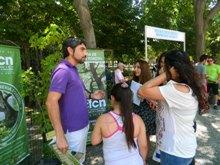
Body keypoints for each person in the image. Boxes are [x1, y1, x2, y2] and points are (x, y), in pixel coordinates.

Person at [138, 50, 209, 165]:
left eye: (164, 65)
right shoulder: (184, 87)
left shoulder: (177, 90)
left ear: (172, 68)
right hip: (182, 148)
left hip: (175, 152)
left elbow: (142, 91)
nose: (161, 67)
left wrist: (167, 74)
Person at [46, 37, 105, 164]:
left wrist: (91, 96)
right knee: (73, 163)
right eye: (82, 49)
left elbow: (74, 93)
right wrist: (60, 135)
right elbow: (51, 102)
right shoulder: (63, 71)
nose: (86, 53)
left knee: (79, 161)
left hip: (80, 127)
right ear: (70, 50)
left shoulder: (73, 69)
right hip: (72, 132)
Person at [91, 83, 148, 165]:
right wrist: (143, 161)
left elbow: (94, 141)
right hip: (136, 162)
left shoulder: (102, 119)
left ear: (112, 98)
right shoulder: (138, 119)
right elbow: (143, 146)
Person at [132, 60, 156, 156]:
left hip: (145, 114)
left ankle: (144, 159)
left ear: (144, 69)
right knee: (137, 137)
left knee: (144, 138)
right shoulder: (134, 81)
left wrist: (146, 97)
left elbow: (155, 101)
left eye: (138, 67)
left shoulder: (150, 83)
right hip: (135, 112)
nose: (136, 69)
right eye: (135, 67)